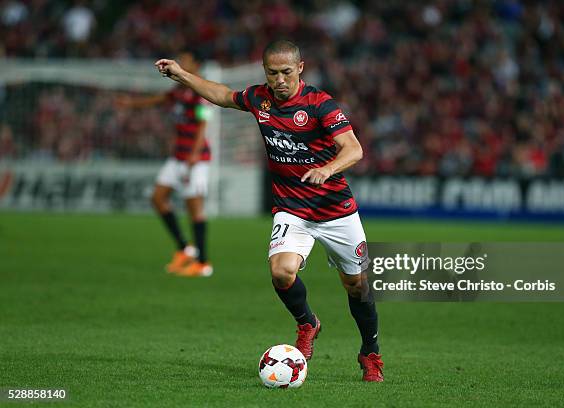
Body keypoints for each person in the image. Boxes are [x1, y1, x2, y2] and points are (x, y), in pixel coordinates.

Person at [155, 40, 383, 381]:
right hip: (292, 209)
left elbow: (354, 149)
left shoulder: (320, 104)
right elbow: (221, 95)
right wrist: (183, 75)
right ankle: (308, 323)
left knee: (357, 286)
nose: (279, 80)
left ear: (300, 69)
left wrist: (327, 169)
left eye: (286, 73)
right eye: (272, 73)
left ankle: (370, 353)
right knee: (281, 271)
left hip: (336, 211)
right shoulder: (259, 98)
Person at [116, 50, 213, 277]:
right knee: (158, 198)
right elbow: (158, 100)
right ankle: (184, 248)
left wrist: (193, 155)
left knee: (194, 209)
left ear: (196, 65)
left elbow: (203, 125)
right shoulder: (179, 91)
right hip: (178, 156)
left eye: (186, 60)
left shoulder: (199, 93)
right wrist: (130, 104)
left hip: (195, 159)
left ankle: (203, 263)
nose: (181, 63)